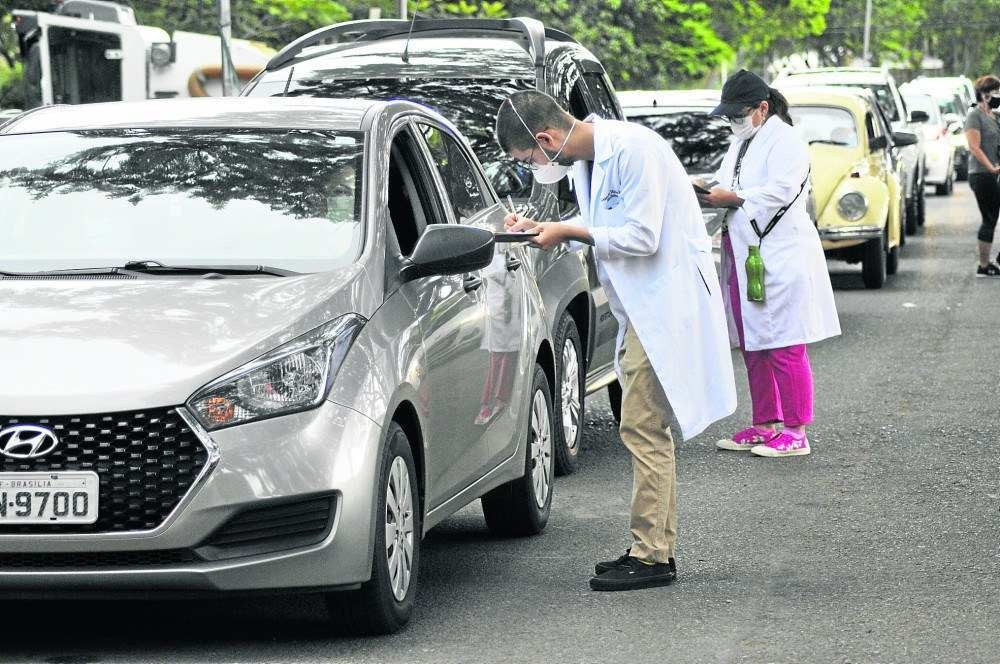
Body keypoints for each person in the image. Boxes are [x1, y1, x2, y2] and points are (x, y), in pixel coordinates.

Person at [495, 90, 736, 592]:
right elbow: (605, 226)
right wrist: (545, 227)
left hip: (664, 304)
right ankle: (654, 548)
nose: (534, 168)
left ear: (547, 139)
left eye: (529, 159)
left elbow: (641, 237)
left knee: (643, 427)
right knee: (645, 428)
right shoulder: (588, 160)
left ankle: (651, 555)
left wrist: (566, 231)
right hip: (642, 309)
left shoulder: (632, 150)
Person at [698, 70, 841, 458]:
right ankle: (765, 423)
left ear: (762, 108)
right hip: (745, 255)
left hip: (780, 255)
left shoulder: (787, 140)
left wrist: (736, 198)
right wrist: (709, 191)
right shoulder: (742, 141)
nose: (733, 123)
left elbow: (781, 189)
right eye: (729, 116)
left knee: (784, 344)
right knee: (753, 343)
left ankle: (796, 431)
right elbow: (729, 181)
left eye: (739, 115)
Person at [964, 75, 1000, 277]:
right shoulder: (974, 116)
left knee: (993, 217)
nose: (998, 95)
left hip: (994, 173)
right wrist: (991, 168)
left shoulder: (994, 116)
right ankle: (983, 266)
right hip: (981, 174)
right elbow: (974, 147)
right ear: (984, 94)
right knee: (990, 218)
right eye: (995, 92)